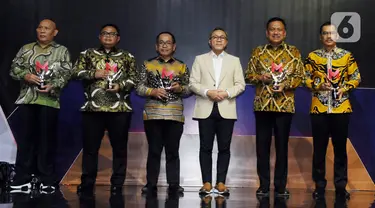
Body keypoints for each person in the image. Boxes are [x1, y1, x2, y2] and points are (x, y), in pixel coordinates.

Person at [9, 19, 72, 193]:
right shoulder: (26, 48)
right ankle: (23, 177)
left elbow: (67, 74)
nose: (42, 31)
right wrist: (25, 75)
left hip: (49, 101)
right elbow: (13, 68)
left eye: (47, 28)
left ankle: (46, 178)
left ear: (55, 32)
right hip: (27, 99)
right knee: (25, 140)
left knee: (46, 141)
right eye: (40, 28)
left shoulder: (61, 51)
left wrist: (54, 85)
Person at [73, 24, 137, 194]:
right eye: (105, 34)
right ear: (99, 36)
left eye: (112, 34)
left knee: (120, 149)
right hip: (93, 109)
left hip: (119, 109)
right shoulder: (87, 54)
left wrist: (120, 85)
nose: (108, 37)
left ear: (118, 38)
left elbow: (134, 79)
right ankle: (87, 183)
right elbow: (75, 73)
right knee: (90, 149)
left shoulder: (127, 56)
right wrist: (94, 73)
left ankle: (117, 184)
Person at [245, 17, 304, 197]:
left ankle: (280, 186)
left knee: (282, 148)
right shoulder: (258, 51)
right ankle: (263, 185)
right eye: (272, 29)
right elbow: (248, 75)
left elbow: (300, 76)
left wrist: (286, 84)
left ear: (284, 33)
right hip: (262, 106)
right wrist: (260, 78)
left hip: (284, 106)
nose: (276, 32)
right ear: (267, 32)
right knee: (262, 148)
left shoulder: (294, 52)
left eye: (279, 29)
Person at [304, 21, 360, 200]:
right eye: (325, 33)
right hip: (319, 108)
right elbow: (304, 78)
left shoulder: (346, 56)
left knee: (340, 150)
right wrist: (318, 85)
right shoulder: (313, 57)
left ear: (337, 36)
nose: (329, 36)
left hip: (341, 108)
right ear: (321, 37)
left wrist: (346, 87)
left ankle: (341, 187)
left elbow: (356, 76)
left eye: (332, 33)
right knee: (319, 150)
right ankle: (319, 186)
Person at [189, 27, 245, 195]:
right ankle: (206, 183)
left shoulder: (234, 61)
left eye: (222, 37)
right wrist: (208, 92)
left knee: (224, 148)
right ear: (210, 41)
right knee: (205, 147)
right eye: (215, 37)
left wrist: (226, 93)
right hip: (205, 107)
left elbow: (240, 84)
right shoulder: (199, 60)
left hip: (226, 108)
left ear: (226, 42)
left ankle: (221, 183)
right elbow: (193, 83)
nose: (219, 40)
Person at [136, 31, 190, 194]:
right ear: (156, 46)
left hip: (174, 115)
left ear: (174, 46)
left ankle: (174, 184)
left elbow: (189, 89)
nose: (164, 45)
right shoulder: (147, 64)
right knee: (154, 150)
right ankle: (151, 183)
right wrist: (152, 91)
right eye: (161, 42)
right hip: (153, 114)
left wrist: (179, 88)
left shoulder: (181, 66)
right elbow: (138, 87)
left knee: (173, 151)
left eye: (168, 43)